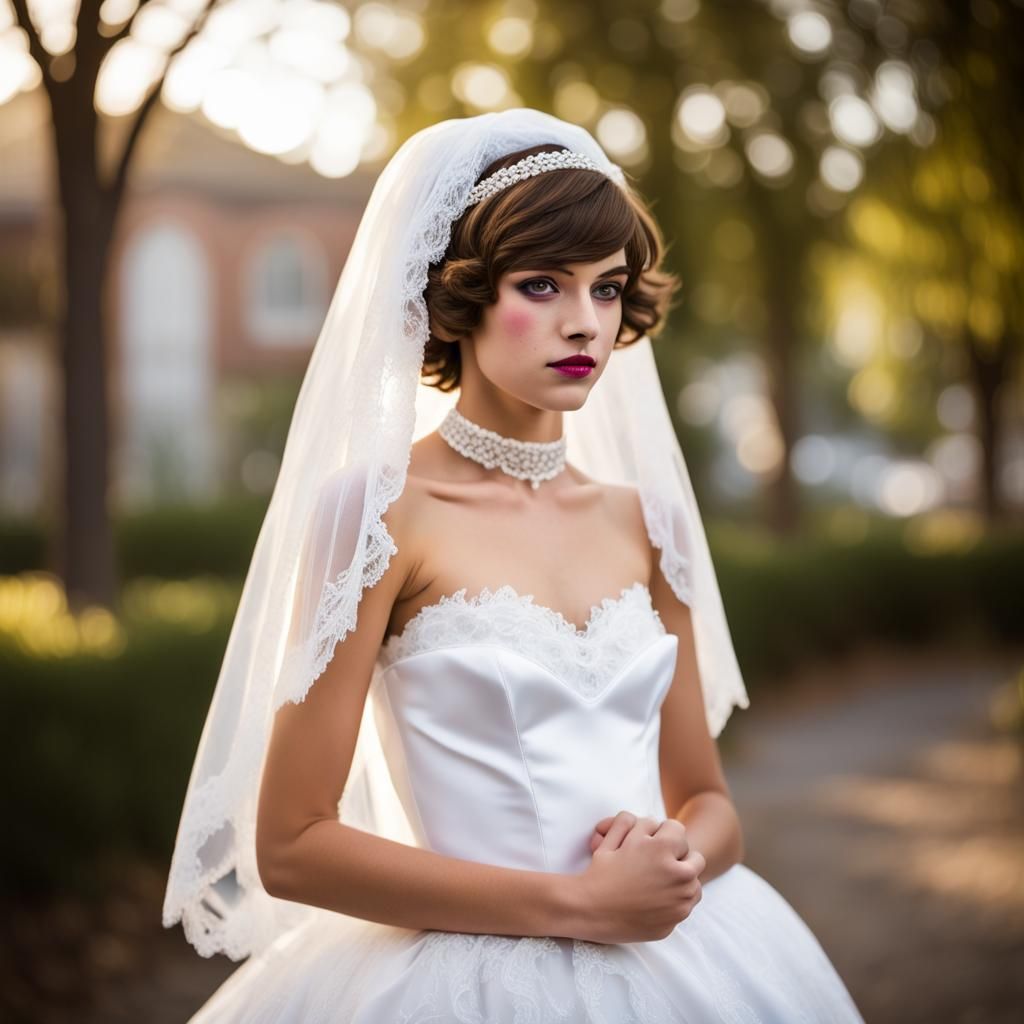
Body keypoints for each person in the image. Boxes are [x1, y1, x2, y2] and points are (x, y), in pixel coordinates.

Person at [164, 109, 866, 1022]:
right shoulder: (377, 515)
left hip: (691, 962)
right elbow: (291, 843)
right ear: (460, 296)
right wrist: (580, 905)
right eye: (543, 285)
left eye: (608, 289)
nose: (584, 324)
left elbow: (708, 800)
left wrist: (674, 853)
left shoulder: (648, 522)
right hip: (467, 983)